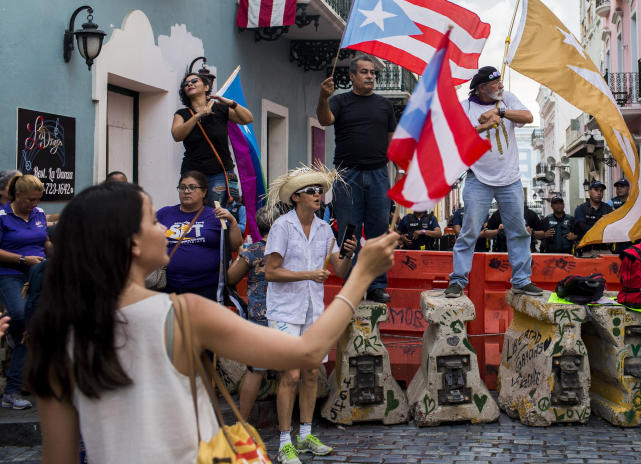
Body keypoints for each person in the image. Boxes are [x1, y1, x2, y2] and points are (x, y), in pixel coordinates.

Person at [25, 181, 397, 463]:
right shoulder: (184, 314)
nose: (166, 229)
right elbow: (307, 351)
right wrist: (363, 274)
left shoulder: (56, 336)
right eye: (154, 220)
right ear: (132, 244)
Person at [263, 165, 359, 463]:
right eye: (312, 191)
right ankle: (284, 441)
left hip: (313, 309)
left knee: (311, 372)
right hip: (285, 310)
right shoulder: (283, 227)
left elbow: (339, 271)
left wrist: (348, 254)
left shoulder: (324, 229)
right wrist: (308, 274)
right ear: (296, 197)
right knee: (290, 374)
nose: (319, 195)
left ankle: (305, 435)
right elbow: (270, 272)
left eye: (320, 191)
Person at [445, 66, 543, 298]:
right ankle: (458, 280)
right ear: (481, 88)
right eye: (495, 82)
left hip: (510, 179)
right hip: (478, 178)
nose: (500, 85)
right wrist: (482, 127)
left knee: (518, 230)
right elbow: (456, 139)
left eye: (500, 81)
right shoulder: (465, 107)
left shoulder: (506, 99)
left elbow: (528, 117)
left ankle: (521, 280)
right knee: (469, 230)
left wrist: (501, 114)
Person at [316, 56, 396, 304]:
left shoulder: (384, 105)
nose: (370, 76)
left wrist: (402, 169)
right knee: (349, 230)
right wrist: (323, 96)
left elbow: (393, 142)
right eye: (364, 72)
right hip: (346, 174)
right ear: (352, 76)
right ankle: (352, 284)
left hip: (378, 173)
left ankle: (376, 286)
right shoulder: (340, 101)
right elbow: (324, 120)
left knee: (378, 230)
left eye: (372, 72)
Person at [0, 174, 51, 410]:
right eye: (30, 199)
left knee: (33, 326)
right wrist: (22, 259)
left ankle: (13, 391)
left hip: (39, 273)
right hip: (10, 274)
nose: (34, 204)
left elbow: (45, 242)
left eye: (38, 199)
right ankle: (13, 327)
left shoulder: (39, 214)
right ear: (17, 195)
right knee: (22, 318)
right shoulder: (3, 216)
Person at [171, 71, 254, 207]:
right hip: (193, 173)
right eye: (186, 84)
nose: (190, 84)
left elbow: (248, 119)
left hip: (220, 172)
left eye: (194, 81)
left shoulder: (220, 109)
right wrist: (198, 115)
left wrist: (231, 103)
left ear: (206, 87)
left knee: (220, 214)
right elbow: (177, 135)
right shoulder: (182, 114)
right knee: (193, 210)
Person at [157, 171, 242, 300]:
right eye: (183, 187)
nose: (186, 191)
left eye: (192, 187)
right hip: (168, 287)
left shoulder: (216, 215)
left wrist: (233, 221)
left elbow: (235, 246)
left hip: (206, 289)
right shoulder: (164, 213)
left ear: (204, 192)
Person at [226, 207, 273, 421]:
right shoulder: (287, 249)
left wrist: (242, 253)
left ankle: (241, 421)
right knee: (289, 372)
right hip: (286, 316)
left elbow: (231, 278)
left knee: (256, 371)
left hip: (259, 318)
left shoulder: (253, 250)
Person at [572, 181, 614, 257]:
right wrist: (602, 232)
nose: (599, 193)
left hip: (605, 250)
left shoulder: (608, 209)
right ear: (589, 192)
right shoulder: (581, 209)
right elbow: (583, 227)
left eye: (601, 191)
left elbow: (612, 226)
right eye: (596, 190)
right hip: (587, 251)